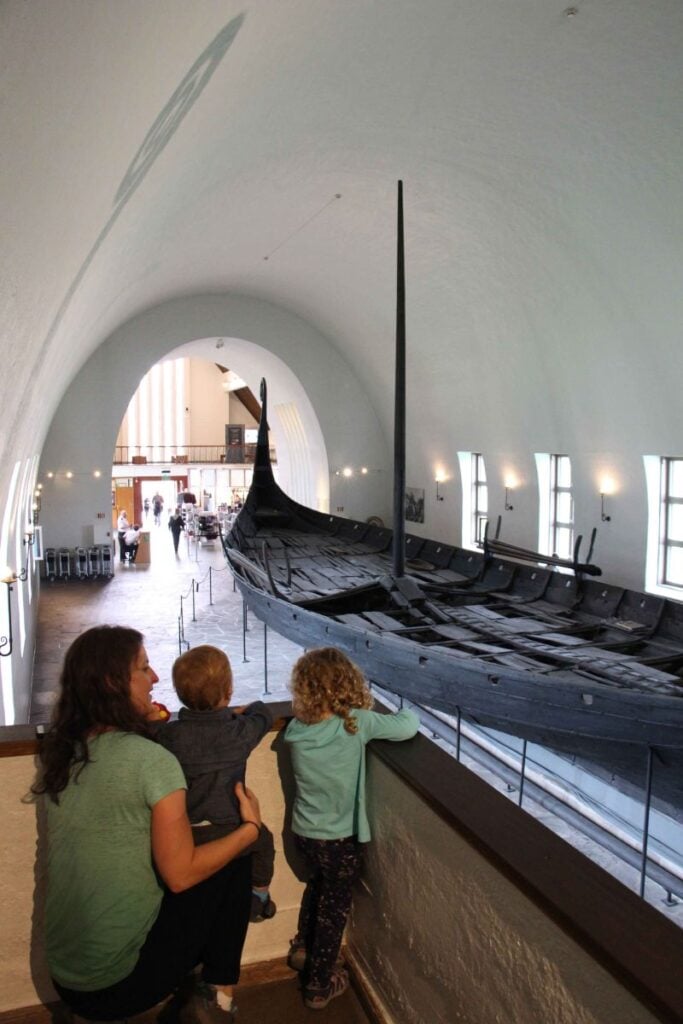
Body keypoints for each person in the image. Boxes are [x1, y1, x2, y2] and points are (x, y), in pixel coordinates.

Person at [32, 625, 261, 1023]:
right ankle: (216, 998)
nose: (155, 678)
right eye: (144, 668)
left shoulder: (66, 750)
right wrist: (250, 829)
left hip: (66, 978)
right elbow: (180, 876)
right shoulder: (151, 761)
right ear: (113, 683)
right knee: (234, 855)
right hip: (118, 984)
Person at [284, 647, 419, 1010]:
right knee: (335, 908)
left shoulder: (297, 728)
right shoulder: (355, 723)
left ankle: (303, 948)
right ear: (347, 683)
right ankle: (319, 984)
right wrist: (411, 709)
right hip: (339, 839)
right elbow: (407, 726)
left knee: (316, 887)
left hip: (305, 831)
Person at [156, 645, 277, 923]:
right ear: (229, 691)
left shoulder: (171, 736)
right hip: (231, 828)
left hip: (187, 832)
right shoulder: (239, 732)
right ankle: (259, 897)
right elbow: (264, 717)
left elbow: (151, 731)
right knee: (264, 841)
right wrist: (251, 709)